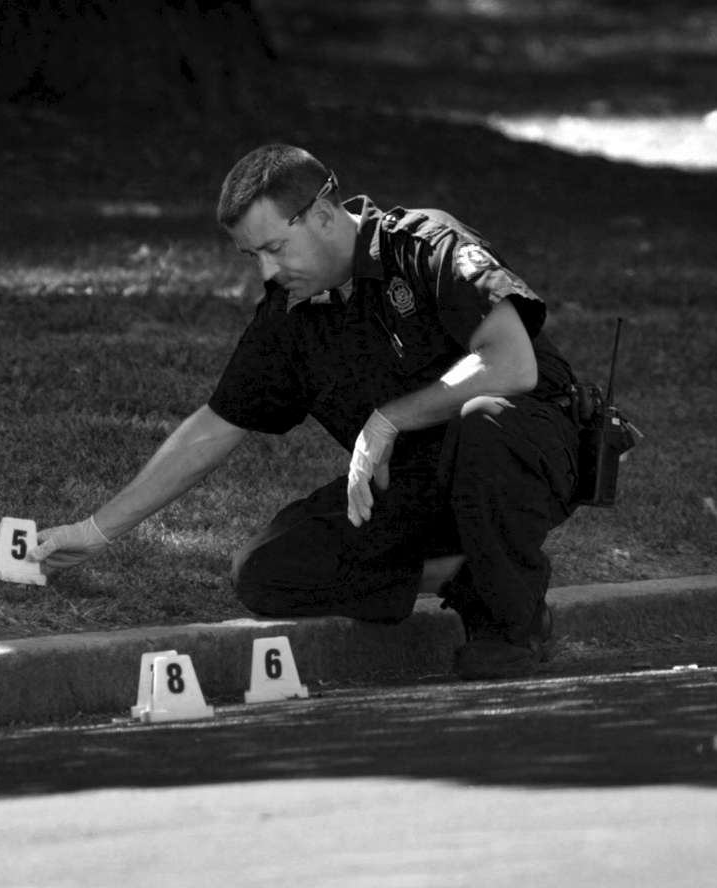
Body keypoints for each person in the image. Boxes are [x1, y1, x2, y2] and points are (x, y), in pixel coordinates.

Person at [31, 143, 586, 680]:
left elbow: (512, 365)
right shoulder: (291, 314)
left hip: (525, 449)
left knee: (484, 418)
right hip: (423, 481)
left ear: (321, 214)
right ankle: (475, 578)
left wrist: (388, 417)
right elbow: (218, 424)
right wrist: (94, 530)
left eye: (274, 248)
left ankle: (510, 627)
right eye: (253, 257)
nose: (266, 274)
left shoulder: (425, 244)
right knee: (266, 572)